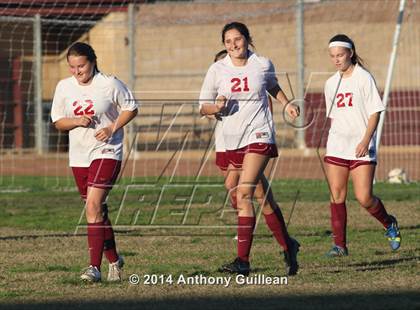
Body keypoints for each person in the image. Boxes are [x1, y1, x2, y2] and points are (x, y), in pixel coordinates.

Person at [199, 22, 301, 276]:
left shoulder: (262, 64)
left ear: (247, 39)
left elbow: (272, 85)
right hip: (231, 138)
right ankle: (288, 244)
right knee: (255, 194)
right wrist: (216, 107)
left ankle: (242, 261)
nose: (233, 45)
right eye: (228, 41)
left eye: (238, 39)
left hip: (259, 134)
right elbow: (203, 105)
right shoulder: (217, 69)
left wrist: (287, 103)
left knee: (243, 194)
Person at [50, 42, 138, 281]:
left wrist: (112, 127)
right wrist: (77, 121)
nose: (77, 72)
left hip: (107, 151)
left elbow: (131, 107)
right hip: (78, 156)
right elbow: (58, 121)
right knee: (96, 210)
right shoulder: (64, 86)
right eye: (72, 67)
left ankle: (93, 268)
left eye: (81, 66)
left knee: (93, 206)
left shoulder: (109, 83)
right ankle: (115, 261)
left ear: (92, 62)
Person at [324, 34, 401, 257]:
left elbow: (374, 112)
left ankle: (389, 224)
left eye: (340, 55)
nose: (337, 59)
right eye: (333, 56)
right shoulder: (330, 83)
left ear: (350, 53)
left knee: (364, 197)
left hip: (361, 145)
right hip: (337, 145)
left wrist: (366, 140)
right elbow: (335, 117)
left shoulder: (363, 78)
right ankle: (339, 245)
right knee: (336, 194)